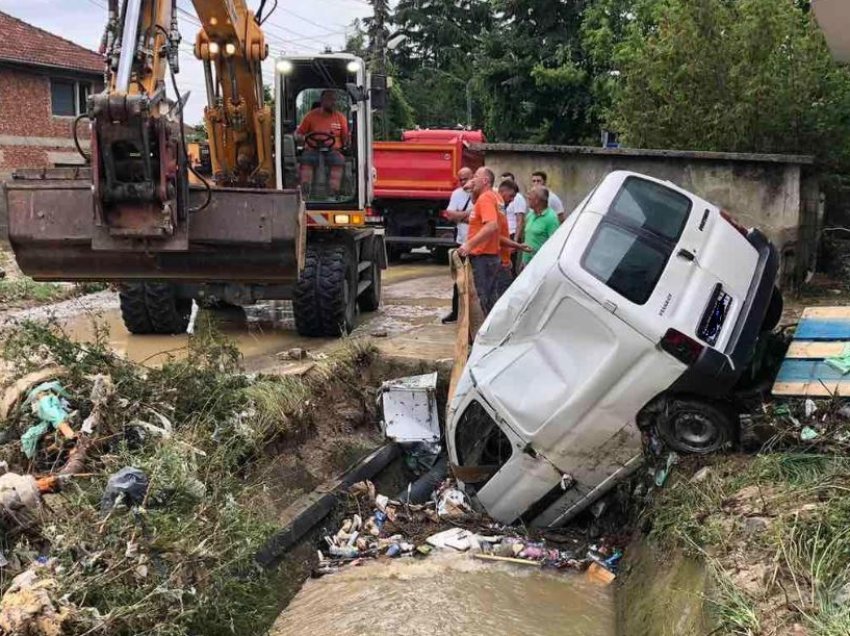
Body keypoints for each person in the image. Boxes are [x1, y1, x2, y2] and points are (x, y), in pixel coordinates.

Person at [458, 167, 502, 316]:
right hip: (489, 256)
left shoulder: (485, 199)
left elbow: (492, 225)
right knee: (489, 299)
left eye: (475, 176)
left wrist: (469, 244)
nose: (471, 180)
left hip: (483, 257)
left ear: (485, 181)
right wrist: (471, 187)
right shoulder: (492, 196)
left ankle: (482, 335)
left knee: (481, 300)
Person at [296, 90, 349, 196]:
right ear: (322, 100)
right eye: (329, 99)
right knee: (306, 159)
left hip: (332, 151)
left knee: (338, 160)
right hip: (312, 150)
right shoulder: (310, 116)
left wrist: (345, 146)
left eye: (334, 100)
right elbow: (299, 133)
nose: (333, 102)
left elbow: (345, 137)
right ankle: (305, 191)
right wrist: (301, 139)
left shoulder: (341, 118)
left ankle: (334, 191)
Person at [441, 167, 474, 324]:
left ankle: (474, 313)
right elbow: (449, 215)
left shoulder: (480, 193)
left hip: (478, 243)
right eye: (460, 179)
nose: (463, 182)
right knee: (458, 279)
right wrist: (467, 216)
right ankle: (456, 312)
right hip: (461, 242)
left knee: (476, 279)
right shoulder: (456, 194)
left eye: (465, 179)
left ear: (472, 177)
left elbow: (478, 218)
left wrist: (459, 216)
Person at [521, 186, 561, 268]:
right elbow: (528, 239)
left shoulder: (551, 218)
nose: (528, 198)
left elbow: (555, 245)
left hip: (540, 265)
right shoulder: (530, 215)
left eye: (530, 197)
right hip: (526, 264)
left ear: (537, 200)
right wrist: (523, 261)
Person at [500, 172, 527, 243]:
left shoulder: (518, 198)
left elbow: (520, 221)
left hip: (512, 234)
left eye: (508, 181)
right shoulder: (500, 199)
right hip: (503, 234)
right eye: (503, 182)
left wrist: (515, 240)